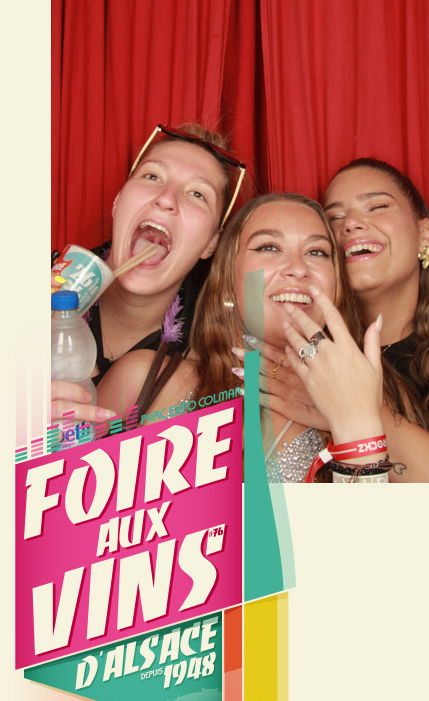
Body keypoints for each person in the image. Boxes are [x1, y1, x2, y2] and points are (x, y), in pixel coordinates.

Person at [97, 191, 363, 483]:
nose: (299, 269)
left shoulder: (366, 403)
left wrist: (352, 422)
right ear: (226, 281)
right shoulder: (143, 379)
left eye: (317, 252)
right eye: (269, 247)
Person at [49, 122, 246, 430]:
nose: (166, 199)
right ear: (117, 203)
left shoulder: (213, 355)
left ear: (211, 243)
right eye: (153, 176)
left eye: (197, 193)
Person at [312, 159, 429, 481]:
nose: (350, 224)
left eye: (377, 206)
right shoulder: (310, 356)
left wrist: (349, 409)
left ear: (425, 234)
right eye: (334, 217)